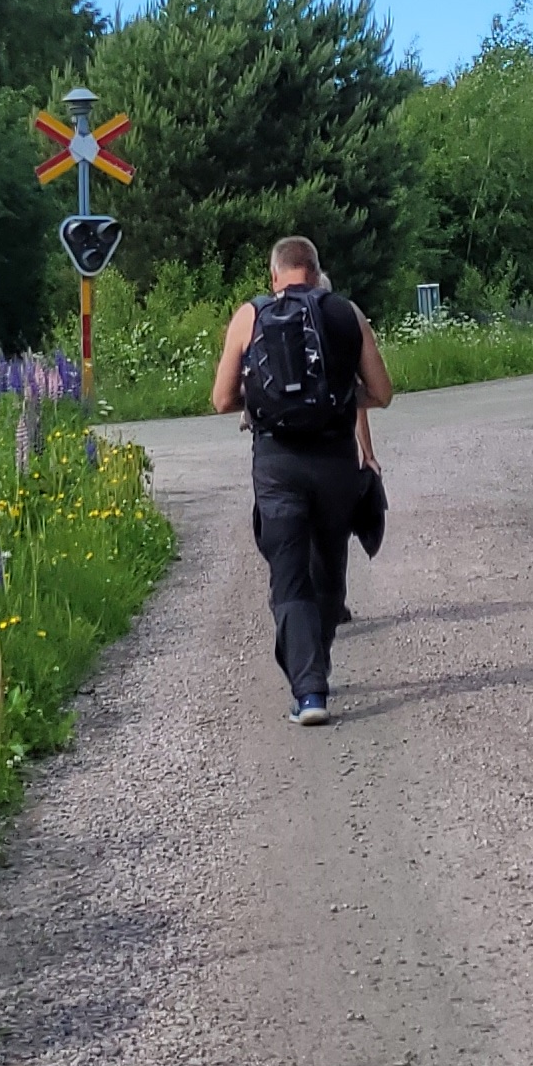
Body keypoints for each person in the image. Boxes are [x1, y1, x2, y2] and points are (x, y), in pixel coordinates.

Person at [211, 236, 395, 724]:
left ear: (275, 276)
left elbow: (221, 399)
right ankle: (320, 665)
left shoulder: (249, 316)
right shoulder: (347, 314)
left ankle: (309, 692)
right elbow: (382, 392)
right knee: (329, 566)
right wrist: (336, 401)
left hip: (277, 465)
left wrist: (267, 404)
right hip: (334, 461)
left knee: (289, 573)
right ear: (315, 271)